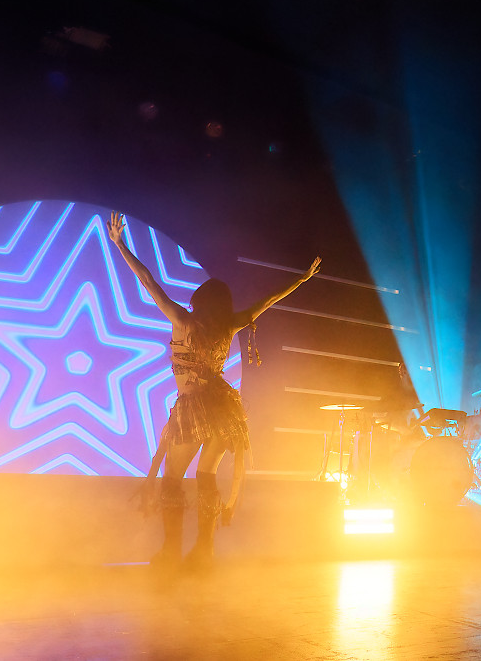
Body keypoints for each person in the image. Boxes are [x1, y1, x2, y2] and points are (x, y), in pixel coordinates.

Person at [106, 211, 321, 570]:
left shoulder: (182, 320)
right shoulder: (231, 326)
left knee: (173, 478)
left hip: (195, 410)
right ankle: (203, 550)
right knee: (206, 476)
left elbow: (148, 281)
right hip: (224, 410)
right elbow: (268, 300)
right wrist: (302, 278)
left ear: (198, 301)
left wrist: (120, 244)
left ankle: (172, 551)